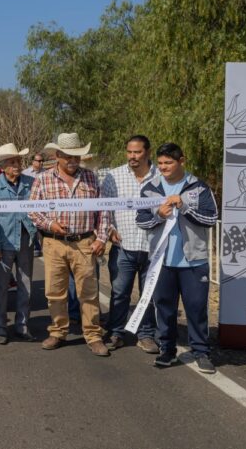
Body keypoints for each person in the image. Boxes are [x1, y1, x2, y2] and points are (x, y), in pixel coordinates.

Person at [137, 142, 219, 373]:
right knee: (164, 308)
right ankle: (167, 350)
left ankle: (201, 351)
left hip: (194, 261)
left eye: (169, 163)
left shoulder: (198, 187)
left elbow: (211, 219)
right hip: (162, 261)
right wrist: (159, 216)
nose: (163, 167)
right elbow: (141, 221)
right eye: (160, 163)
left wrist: (183, 207)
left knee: (196, 307)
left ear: (181, 161)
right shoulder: (150, 188)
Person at [28, 133, 111, 357]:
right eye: (68, 157)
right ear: (58, 156)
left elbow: (103, 211)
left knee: (89, 292)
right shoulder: (43, 179)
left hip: (84, 242)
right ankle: (58, 331)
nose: (73, 161)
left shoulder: (91, 178)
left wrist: (102, 238)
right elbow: (33, 210)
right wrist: (49, 223)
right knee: (55, 292)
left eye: (77, 156)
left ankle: (93, 335)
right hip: (54, 244)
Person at [101, 135, 160, 354]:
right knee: (119, 292)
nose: (132, 157)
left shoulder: (161, 178)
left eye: (137, 152)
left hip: (153, 248)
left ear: (148, 152)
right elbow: (104, 208)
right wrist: (109, 230)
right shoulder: (113, 176)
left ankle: (145, 335)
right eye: (129, 152)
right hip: (123, 246)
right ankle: (116, 332)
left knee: (149, 294)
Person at [0, 143, 39, 344]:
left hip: (26, 240)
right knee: (0, 288)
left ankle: (23, 326)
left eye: (18, 161)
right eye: (13, 162)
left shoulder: (31, 183)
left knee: (25, 285)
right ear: (3, 165)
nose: (17, 165)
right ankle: (0, 328)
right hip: (3, 242)